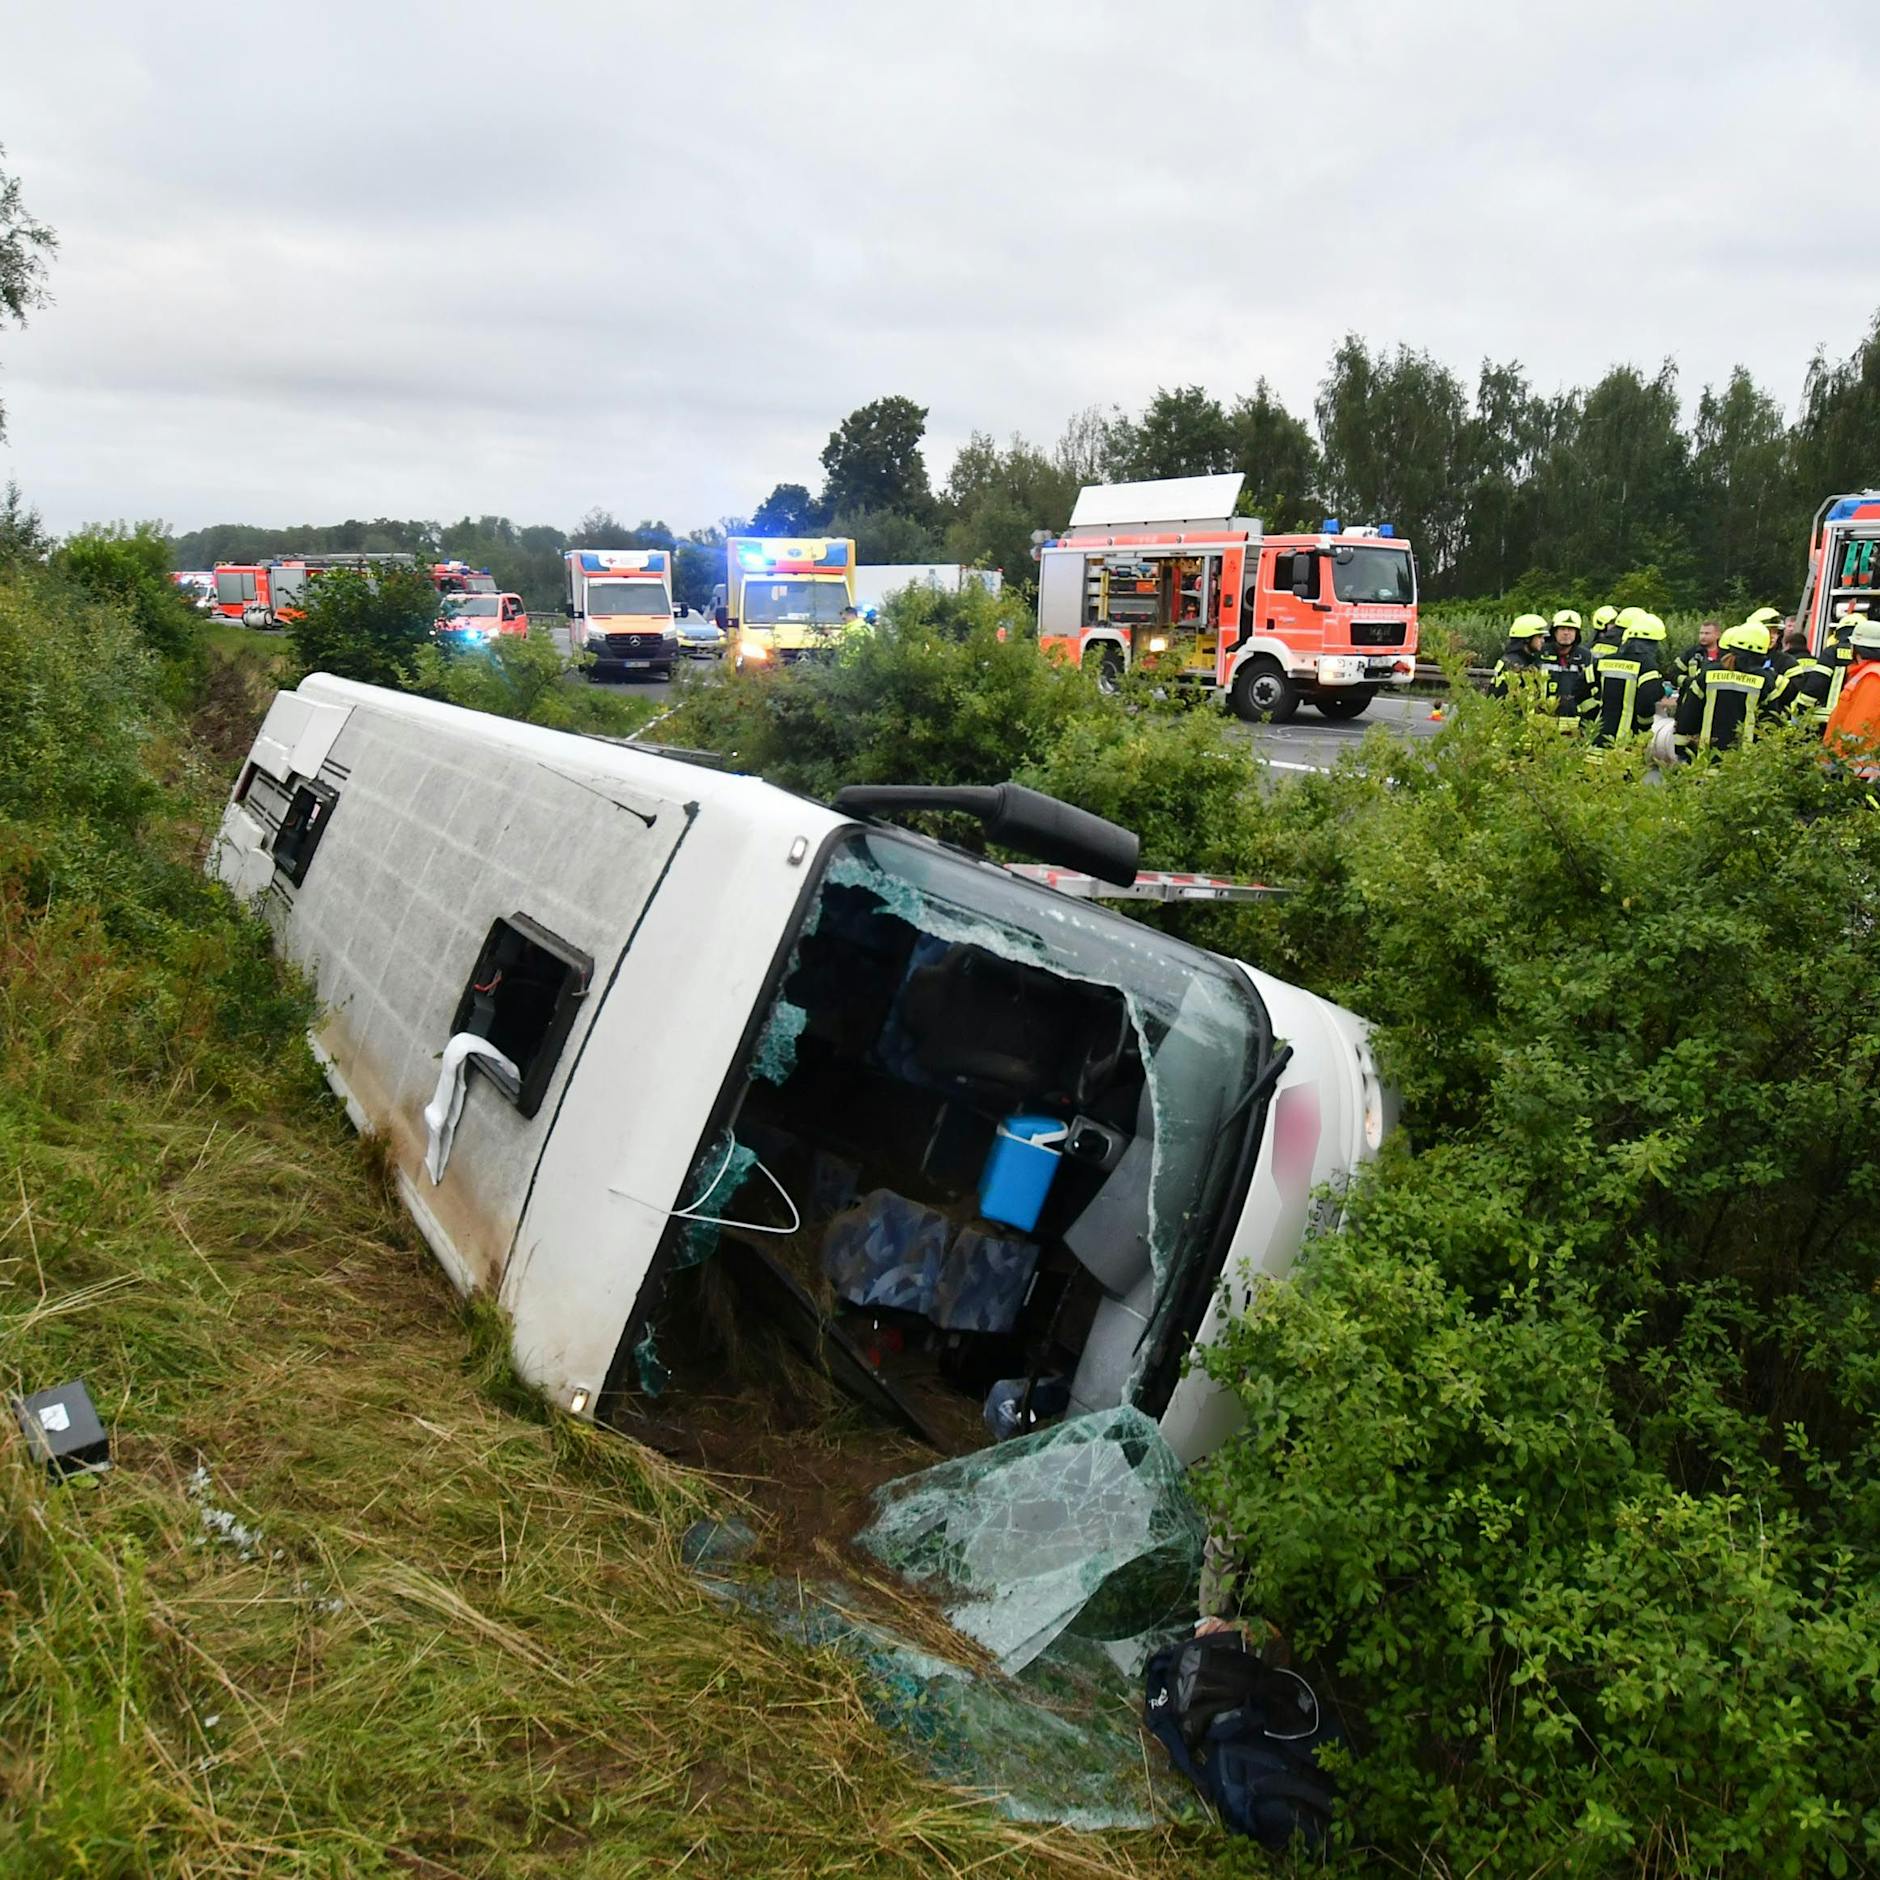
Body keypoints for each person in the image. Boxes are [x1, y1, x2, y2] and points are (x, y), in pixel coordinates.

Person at [1671, 621, 1773, 756]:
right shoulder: (1765, 681)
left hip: (1707, 754)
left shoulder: (1708, 674)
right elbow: (1771, 720)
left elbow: (1690, 711)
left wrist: (1681, 744)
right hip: (1747, 759)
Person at [1587, 608, 1669, 744]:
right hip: (1627, 741)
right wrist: (1644, 725)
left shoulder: (1605, 661)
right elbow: (1647, 700)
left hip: (1598, 736)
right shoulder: (1647, 666)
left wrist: (1592, 712)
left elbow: (1580, 687)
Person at [1824, 615, 1880, 778]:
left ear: (1856, 648)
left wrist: (1839, 757)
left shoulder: (1872, 677)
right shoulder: (1868, 674)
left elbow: (1860, 724)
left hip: (1858, 769)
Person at [1766, 622, 1830, 722]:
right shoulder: (1817, 661)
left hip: (1791, 710)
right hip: (1815, 708)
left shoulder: (1788, 661)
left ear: (1788, 645)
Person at [1541, 611, 1592, 726]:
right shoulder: (1541, 653)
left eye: (1571, 629)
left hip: (1574, 719)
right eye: (1562, 629)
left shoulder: (1585, 656)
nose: (1566, 633)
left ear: (1577, 633)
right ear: (1554, 632)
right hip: (1543, 718)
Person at [1491, 614, 1549, 701]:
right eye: (1539, 637)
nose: (1543, 641)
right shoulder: (1512, 664)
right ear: (1527, 638)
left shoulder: (1530, 661)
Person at [1677, 618, 1722, 689]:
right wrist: (1690, 682)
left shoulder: (1726, 654)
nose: (1703, 636)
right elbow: (1673, 675)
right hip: (1692, 694)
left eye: (1707, 633)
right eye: (1701, 633)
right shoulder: (1691, 653)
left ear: (1717, 635)